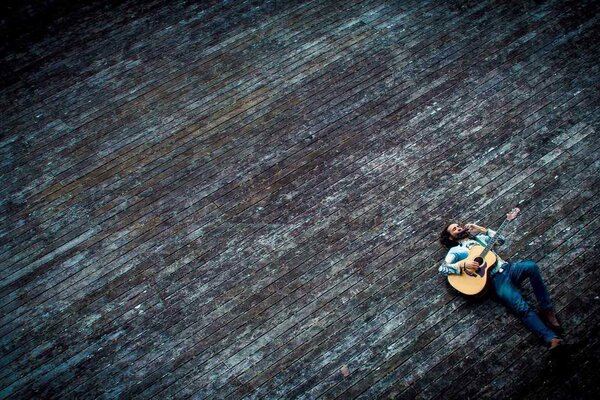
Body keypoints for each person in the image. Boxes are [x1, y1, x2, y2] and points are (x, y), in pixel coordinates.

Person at [438, 222, 563, 350]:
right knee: (521, 307)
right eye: (454, 229)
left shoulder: (479, 239)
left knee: (531, 267)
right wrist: (463, 265)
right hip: (495, 280)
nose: (458, 228)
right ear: (451, 238)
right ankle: (550, 338)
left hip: (508, 268)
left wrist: (482, 229)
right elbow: (442, 269)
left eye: (458, 226)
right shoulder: (455, 251)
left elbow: (501, 240)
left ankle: (546, 308)